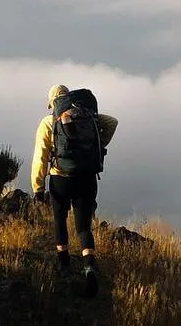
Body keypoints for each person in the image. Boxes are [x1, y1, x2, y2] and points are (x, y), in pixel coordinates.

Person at [30, 83, 118, 296]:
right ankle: (89, 268)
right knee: (83, 227)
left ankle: (64, 265)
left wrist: (38, 187)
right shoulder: (88, 115)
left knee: (60, 220)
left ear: (53, 102)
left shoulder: (48, 122)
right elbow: (112, 122)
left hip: (61, 178)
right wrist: (99, 143)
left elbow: (41, 156)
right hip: (87, 177)